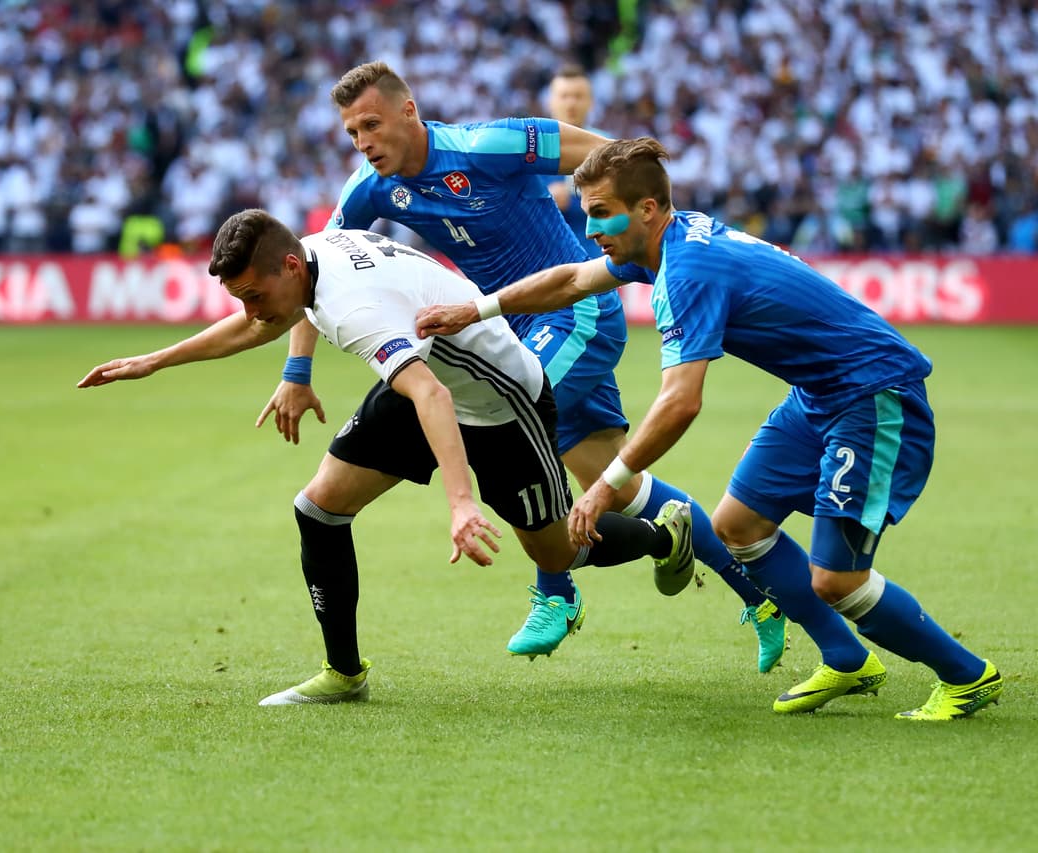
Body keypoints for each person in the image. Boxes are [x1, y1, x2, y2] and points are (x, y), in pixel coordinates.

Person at [414, 137, 1003, 720]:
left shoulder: (688, 271)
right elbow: (570, 281)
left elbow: (680, 403)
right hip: (819, 395)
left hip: (873, 395)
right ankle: (845, 658)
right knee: (738, 526)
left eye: (599, 213)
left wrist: (603, 485)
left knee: (837, 580)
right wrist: (478, 310)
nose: (590, 227)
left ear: (646, 208)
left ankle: (966, 676)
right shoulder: (667, 238)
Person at [261, 60, 783, 669]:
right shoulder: (369, 188)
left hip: (574, 319)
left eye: (371, 125)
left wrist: (655, 239)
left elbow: (615, 157)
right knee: (617, 480)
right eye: (352, 133)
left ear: (409, 111)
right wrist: (297, 372)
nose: (362, 142)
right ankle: (758, 596)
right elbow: (310, 272)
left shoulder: (491, 145)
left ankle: (556, 593)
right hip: (507, 330)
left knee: (503, 430)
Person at [77, 209, 694, 704]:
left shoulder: (355, 309)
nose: (251, 308)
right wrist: (154, 361)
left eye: (254, 293)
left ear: (290, 266)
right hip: (426, 376)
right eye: (242, 297)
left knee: (558, 550)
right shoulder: (313, 257)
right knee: (319, 507)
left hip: (502, 400)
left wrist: (460, 503)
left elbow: (432, 396)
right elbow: (264, 324)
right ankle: (344, 674)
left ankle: (662, 537)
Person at [545, 64, 604, 260]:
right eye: (564, 96)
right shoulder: (528, 148)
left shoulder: (606, 149)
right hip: (542, 260)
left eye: (578, 96)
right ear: (550, 102)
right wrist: (545, 199)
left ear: (591, 102)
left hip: (594, 260)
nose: (571, 103)